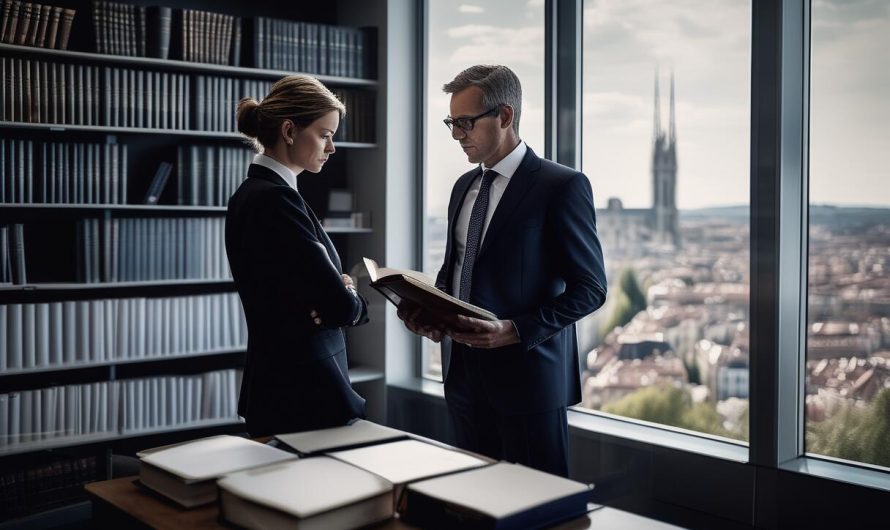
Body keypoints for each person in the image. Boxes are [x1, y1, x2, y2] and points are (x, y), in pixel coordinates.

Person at [399, 65, 607, 476]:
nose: (457, 135)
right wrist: (429, 311)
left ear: (505, 116)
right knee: (473, 503)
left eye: (465, 123)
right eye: (451, 123)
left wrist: (515, 330)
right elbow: (456, 270)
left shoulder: (561, 185)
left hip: (528, 384)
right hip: (462, 379)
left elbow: (591, 288)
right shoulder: (462, 186)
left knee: (537, 509)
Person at [226, 75, 368, 437]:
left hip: (282, 388)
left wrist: (334, 294)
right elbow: (339, 307)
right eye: (325, 134)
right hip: (304, 392)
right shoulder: (276, 199)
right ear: (289, 130)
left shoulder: (253, 193)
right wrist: (349, 294)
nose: (332, 147)